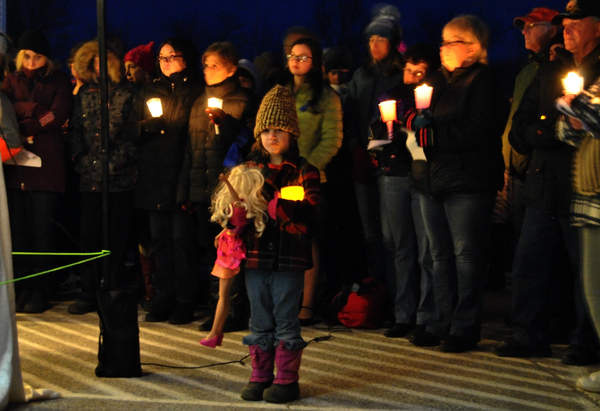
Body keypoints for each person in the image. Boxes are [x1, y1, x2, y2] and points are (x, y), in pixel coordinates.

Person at [496, 0, 600, 365]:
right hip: (543, 181)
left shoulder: (597, 70)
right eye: (565, 22)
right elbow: (522, 127)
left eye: (576, 21)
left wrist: (551, 129)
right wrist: (552, 130)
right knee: (529, 261)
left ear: (597, 27)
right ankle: (528, 334)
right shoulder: (549, 69)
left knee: (586, 269)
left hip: (583, 183)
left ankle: (586, 344)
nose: (567, 27)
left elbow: (587, 123)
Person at [405, 15, 504, 352]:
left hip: (467, 181)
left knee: (465, 255)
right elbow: (420, 118)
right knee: (438, 255)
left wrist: (433, 133)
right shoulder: (435, 80)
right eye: (443, 41)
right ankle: (438, 320)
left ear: (473, 48)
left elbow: (479, 131)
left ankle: (464, 325)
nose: (443, 47)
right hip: (430, 179)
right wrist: (409, 125)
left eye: (451, 41)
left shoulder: (484, 81)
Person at [240, 85, 320, 403]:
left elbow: (312, 209)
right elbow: (241, 210)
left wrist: (278, 206)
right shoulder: (250, 171)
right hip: (256, 258)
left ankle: (287, 378)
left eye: (280, 130)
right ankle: (260, 374)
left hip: (289, 257)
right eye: (267, 130)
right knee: (259, 316)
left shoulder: (304, 171)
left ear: (292, 135)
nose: (273, 137)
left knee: (286, 317)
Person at [2, 29, 72, 313]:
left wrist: (27, 122)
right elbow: (5, 108)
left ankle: (42, 289)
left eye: (38, 56)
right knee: (19, 232)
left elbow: (58, 113)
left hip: (46, 167)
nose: (31, 62)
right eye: (27, 56)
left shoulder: (57, 81)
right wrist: (32, 110)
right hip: (17, 167)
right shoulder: (10, 80)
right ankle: (21, 288)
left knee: (42, 231)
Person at [490, 7, 560, 291]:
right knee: (518, 242)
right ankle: (522, 308)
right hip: (514, 169)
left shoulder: (554, 68)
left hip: (536, 169)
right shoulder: (526, 70)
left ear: (551, 29)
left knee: (536, 250)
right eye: (523, 27)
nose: (523, 32)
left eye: (531, 26)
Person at [373, 43, 439, 340]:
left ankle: (426, 315)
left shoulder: (434, 98)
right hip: (396, 175)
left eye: (420, 72)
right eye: (409, 71)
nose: (412, 77)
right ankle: (403, 313)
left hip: (425, 176)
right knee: (400, 247)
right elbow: (375, 136)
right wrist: (386, 136)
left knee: (426, 249)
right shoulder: (391, 96)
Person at [134, 38, 201, 324]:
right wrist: (148, 126)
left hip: (181, 172)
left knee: (181, 240)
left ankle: (185, 300)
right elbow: (131, 131)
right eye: (162, 57)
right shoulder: (150, 90)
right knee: (159, 241)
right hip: (154, 176)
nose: (167, 62)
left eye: (173, 56)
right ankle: (162, 297)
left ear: (186, 58)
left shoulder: (195, 91)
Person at [68, 40, 137, 311]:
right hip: (90, 176)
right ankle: (89, 288)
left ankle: (113, 285)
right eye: (92, 61)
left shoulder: (125, 93)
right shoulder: (84, 94)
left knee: (116, 234)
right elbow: (76, 130)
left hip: (119, 176)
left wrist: (115, 163)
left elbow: (132, 134)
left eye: (101, 61)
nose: (98, 66)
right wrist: (82, 160)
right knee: (89, 234)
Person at [285, 36, 342, 325]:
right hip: (279, 175)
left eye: (304, 56)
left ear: (316, 61)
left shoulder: (326, 97)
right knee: (283, 239)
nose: (297, 61)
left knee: (307, 240)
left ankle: (307, 304)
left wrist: (307, 168)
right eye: (293, 56)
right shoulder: (281, 93)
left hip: (310, 178)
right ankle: (285, 302)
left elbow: (332, 139)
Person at [347, 4, 404, 282]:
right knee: (369, 231)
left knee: (390, 231)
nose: (374, 44)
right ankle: (376, 287)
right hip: (362, 159)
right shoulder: (361, 76)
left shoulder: (399, 75)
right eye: (371, 39)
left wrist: (380, 145)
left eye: (381, 39)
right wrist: (356, 145)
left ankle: (395, 291)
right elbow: (352, 113)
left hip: (390, 160)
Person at [199, 164, 267, 347]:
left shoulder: (240, 206)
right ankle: (215, 332)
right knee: (225, 294)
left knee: (225, 295)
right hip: (228, 248)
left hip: (232, 252)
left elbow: (235, 222)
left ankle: (215, 332)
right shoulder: (241, 206)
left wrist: (226, 182)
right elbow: (231, 227)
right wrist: (222, 233)